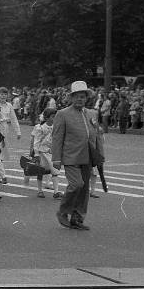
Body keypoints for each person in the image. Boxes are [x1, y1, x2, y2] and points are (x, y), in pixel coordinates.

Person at [52, 81, 103, 230]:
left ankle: (78, 217)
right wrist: (56, 158)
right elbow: (57, 137)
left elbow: (97, 136)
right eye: (77, 96)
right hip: (70, 157)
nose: (80, 99)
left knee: (84, 188)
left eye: (82, 96)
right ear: (71, 98)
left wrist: (100, 155)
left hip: (88, 157)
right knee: (77, 184)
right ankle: (63, 211)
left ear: (86, 98)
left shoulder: (92, 113)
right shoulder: (62, 114)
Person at [31, 108, 62, 199]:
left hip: (53, 153)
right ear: (46, 118)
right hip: (42, 153)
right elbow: (36, 142)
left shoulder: (56, 127)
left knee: (55, 171)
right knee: (40, 171)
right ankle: (40, 190)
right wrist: (36, 154)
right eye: (53, 117)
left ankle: (56, 192)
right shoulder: (40, 128)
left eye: (56, 116)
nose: (55, 118)